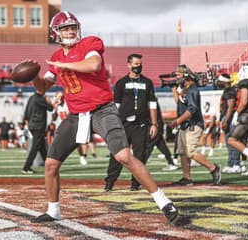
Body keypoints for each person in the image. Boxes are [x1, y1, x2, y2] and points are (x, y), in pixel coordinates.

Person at [30, 11, 178, 224]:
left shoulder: (90, 43)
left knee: (124, 156)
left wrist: (64, 65)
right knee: (51, 164)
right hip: (75, 115)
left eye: (73, 27)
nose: (71, 31)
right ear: (56, 33)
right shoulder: (55, 58)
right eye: (65, 28)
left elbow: (93, 65)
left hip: (102, 110)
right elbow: (43, 87)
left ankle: (164, 202)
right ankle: (53, 211)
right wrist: (34, 75)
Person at [104, 53, 159, 191]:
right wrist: (113, 124)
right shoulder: (121, 83)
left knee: (139, 155)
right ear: (128, 65)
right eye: (135, 64)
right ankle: (110, 182)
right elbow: (115, 105)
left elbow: (152, 104)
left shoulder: (147, 83)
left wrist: (154, 124)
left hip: (141, 125)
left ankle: (135, 183)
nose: (138, 67)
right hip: (123, 124)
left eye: (140, 64)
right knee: (117, 154)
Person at [169, 64, 221, 186]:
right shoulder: (184, 88)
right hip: (185, 125)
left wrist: (178, 121)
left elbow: (192, 109)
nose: (177, 77)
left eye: (179, 74)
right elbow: (179, 102)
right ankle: (187, 178)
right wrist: (173, 89)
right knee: (182, 151)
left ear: (186, 75)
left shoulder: (192, 89)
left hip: (193, 124)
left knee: (190, 152)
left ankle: (213, 168)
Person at [22, 90, 54, 174]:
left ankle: (49, 166)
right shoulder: (40, 99)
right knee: (36, 146)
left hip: (32, 125)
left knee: (42, 146)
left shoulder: (31, 98)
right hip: (38, 126)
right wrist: (49, 101)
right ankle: (26, 167)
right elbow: (50, 108)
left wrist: (28, 123)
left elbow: (26, 112)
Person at [217, 73, 243, 173]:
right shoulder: (229, 90)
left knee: (232, 141)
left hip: (229, 118)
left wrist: (226, 121)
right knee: (229, 142)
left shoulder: (229, 91)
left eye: (220, 81)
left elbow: (230, 106)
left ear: (224, 82)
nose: (218, 83)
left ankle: (236, 164)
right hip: (228, 117)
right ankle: (231, 163)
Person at [143, 101, 179, 171]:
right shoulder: (152, 101)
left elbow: (153, 114)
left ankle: (142, 164)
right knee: (162, 146)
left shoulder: (151, 102)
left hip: (156, 126)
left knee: (149, 145)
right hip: (157, 125)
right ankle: (171, 163)